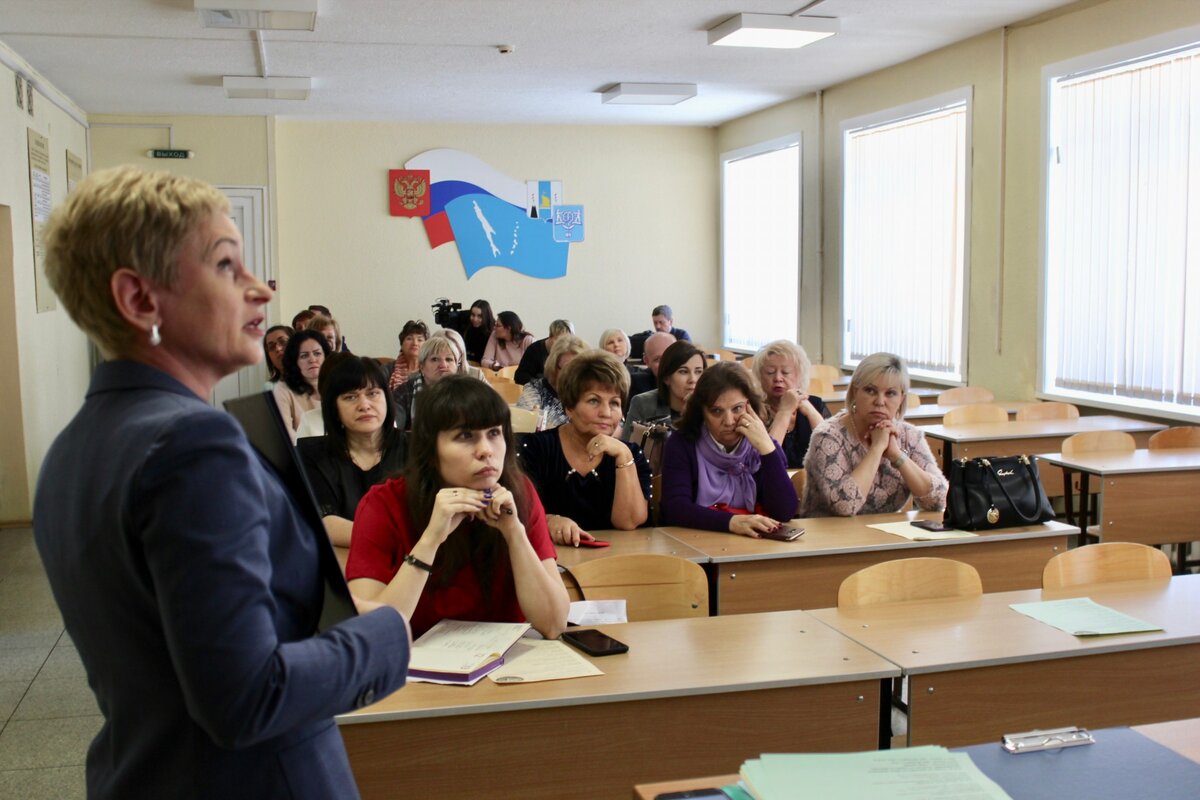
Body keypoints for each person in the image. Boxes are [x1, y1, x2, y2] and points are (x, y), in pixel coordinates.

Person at [34, 166, 410, 799]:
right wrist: (385, 634)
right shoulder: (193, 445)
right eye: (226, 266)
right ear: (140, 300)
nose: (260, 290)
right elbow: (245, 695)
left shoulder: (73, 447)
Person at [346, 374, 569, 639]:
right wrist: (430, 540)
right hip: (416, 667)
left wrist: (515, 534)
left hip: (505, 663)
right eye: (465, 436)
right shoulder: (383, 504)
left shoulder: (519, 493)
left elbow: (554, 624)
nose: (486, 450)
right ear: (431, 449)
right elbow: (371, 634)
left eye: (494, 433)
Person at [520, 351, 651, 545]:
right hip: (551, 560)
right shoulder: (535, 448)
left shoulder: (631, 454)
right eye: (594, 401)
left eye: (614, 403)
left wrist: (624, 456)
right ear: (569, 407)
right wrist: (548, 520)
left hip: (614, 560)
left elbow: (628, 523)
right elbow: (519, 513)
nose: (606, 413)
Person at [660, 362, 798, 536]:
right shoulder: (682, 443)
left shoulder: (764, 445)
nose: (729, 421)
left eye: (737, 408)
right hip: (696, 544)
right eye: (716, 411)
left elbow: (784, 512)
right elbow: (675, 509)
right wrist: (731, 522)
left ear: (750, 406)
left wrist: (767, 449)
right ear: (701, 411)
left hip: (753, 547)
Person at [802, 353, 948, 517]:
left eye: (890, 393)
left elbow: (938, 501)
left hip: (884, 537)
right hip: (830, 536)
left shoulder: (909, 436)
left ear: (901, 398)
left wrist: (897, 456)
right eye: (870, 391)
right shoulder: (827, 436)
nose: (880, 401)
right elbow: (845, 506)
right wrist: (877, 448)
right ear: (855, 392)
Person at [298, 357, 406, 547]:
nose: (364, 405)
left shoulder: (416, 447)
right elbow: (324, 522)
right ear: (334, 409)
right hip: (344, 563)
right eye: (350, 397)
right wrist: (389, 537)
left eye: (373, 393)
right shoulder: (312, 454)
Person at [754, 340, 831, 469]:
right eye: (770, 372)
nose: (778, 378)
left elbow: (832, 450)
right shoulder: (754, 409)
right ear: (760, 377)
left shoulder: (815, 404)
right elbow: (764, 460)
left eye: (785, 372)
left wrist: (811, 413)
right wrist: (785, 411)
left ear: (799, 375)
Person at [622, 340, 704, 439]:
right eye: (683, 372)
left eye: (699, 371)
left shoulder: (709, 406)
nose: (693, 379)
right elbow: (627, 449)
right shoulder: (642, 404)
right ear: (666, 378)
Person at [515, 335, 587, 430]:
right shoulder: (536, 389)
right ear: (554, 367)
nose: (572, 375)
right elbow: (523, 425)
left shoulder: (588, 393)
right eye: (566, 369)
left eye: (578, 369)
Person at [273, 328, 330, 441]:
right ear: (295, 362)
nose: (312, 359)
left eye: (317, 353)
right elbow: (286, 435)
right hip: (301, 453)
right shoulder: (282, 389)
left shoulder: (337, 383)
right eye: (304, 356)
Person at [393, 336, 460, 430]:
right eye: (435, 359)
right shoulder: (405, 391)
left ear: (457, 366)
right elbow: (394, 424)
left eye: (449, 359)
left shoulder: (468, 392)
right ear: (421, 367)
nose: (443, 365)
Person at [515, 318, 574, 384]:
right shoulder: (534, 350)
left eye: (567, 340)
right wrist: (540, 385)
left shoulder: (571, 351)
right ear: (550, 336)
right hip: (539, 389)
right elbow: (521, 376)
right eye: (559, 340)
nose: (562, 344)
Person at [628, 330, 676, 397]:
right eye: (658, 360)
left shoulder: (691, 380)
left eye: (671, 357)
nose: (666, 364)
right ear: (647, 361)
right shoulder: (637, 384)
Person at [387, 319, 428, 391]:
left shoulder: (431, 369)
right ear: (401, 344)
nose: (415, 343)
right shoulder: (388, 370)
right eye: (409, 338)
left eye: (420, 340)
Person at [463, 299, 495, 364]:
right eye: (473, 315)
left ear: (486, 316)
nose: (475, 319)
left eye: (479, 316)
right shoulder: (467, 328)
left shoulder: (493, 332)